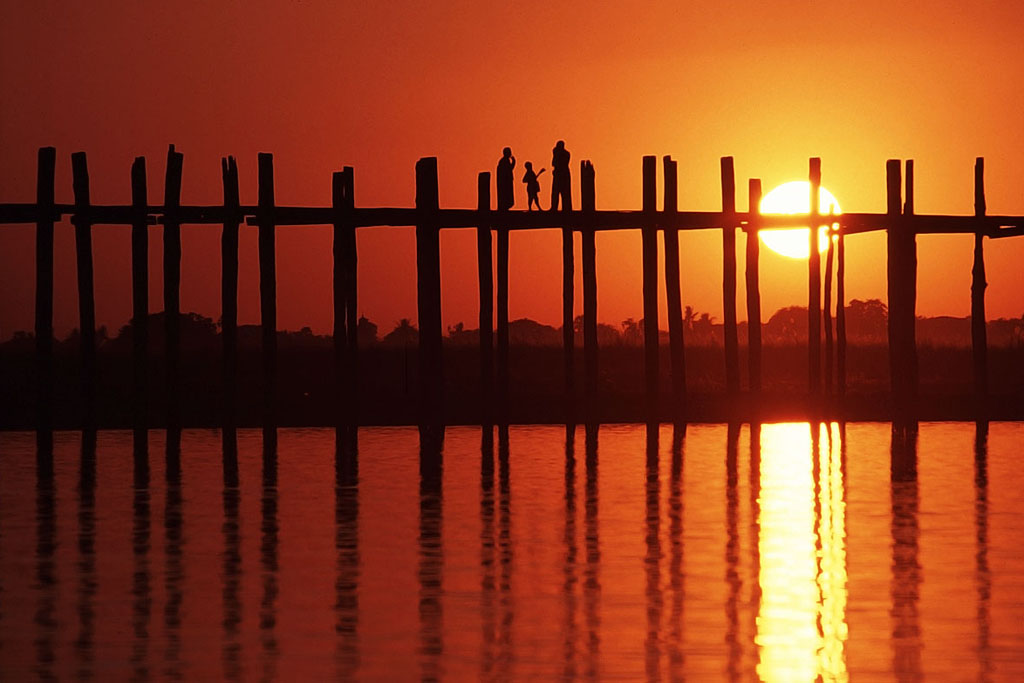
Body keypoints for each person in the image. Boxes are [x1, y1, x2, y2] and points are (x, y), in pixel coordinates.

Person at [550, 140, 571, 211]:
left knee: (564, 192)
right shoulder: (565, 153)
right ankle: (554, 207)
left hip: (562, 175)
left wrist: (555, 153)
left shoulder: (565, 154)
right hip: (559, 174)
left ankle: (566, 208)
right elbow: (553, 163)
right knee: (555, 192)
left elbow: (556, 163)